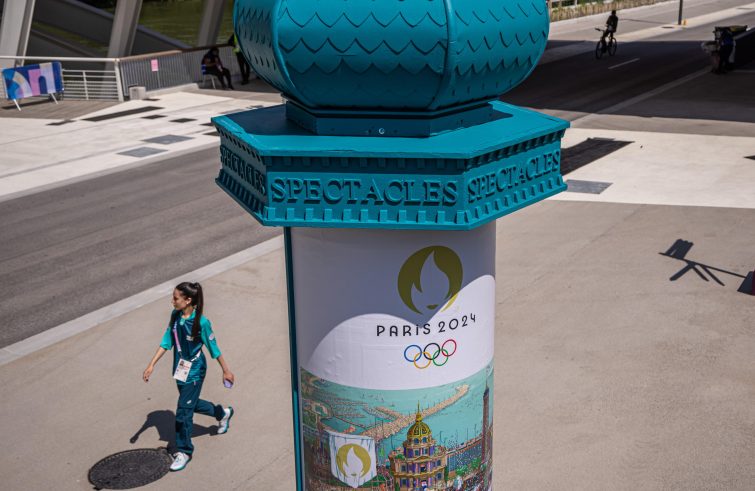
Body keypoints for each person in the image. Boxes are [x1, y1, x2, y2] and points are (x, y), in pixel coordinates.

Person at [142, 282, 235, 472]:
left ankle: (184, 451)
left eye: (176, 298)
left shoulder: (202, 323)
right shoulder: (175, 316)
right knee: (191, 403)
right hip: (180, 369)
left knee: (183, 413)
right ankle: (222, 413)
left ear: (188, 300)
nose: (172, 301)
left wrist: (226, 370)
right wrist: (151, 364)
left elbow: (214, 348)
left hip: (195, 371)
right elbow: (167, 341)